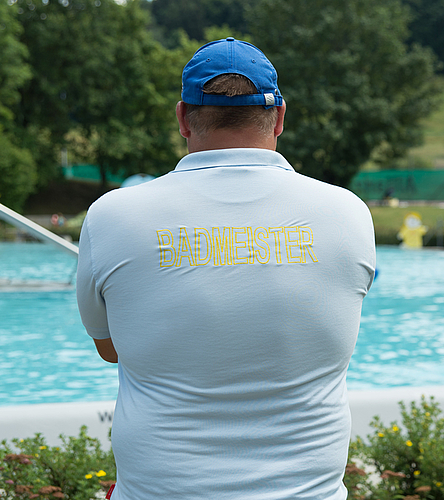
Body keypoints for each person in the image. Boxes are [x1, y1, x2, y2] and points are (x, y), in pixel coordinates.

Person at [76, 38, 376, 500]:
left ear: (182, 117)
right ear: (279, 118)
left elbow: (111, 348)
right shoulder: (349, 213)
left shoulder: (111, 216)